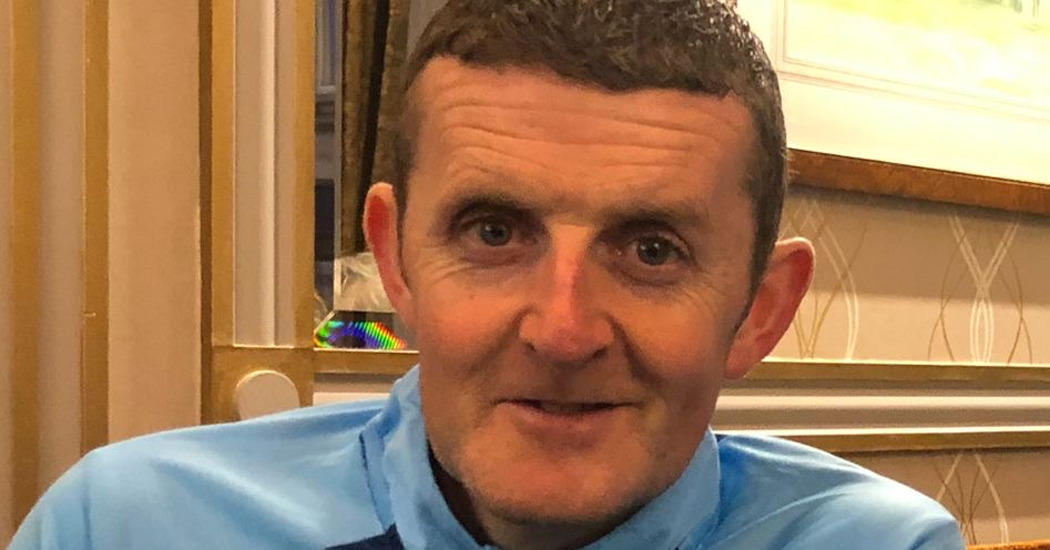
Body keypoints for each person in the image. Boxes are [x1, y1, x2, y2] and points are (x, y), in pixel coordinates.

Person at [9, 1, 965, 549]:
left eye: (650, 251)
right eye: (495, 232)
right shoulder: (130, 525)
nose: (563, 329)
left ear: (760, 310)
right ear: (396, 259)